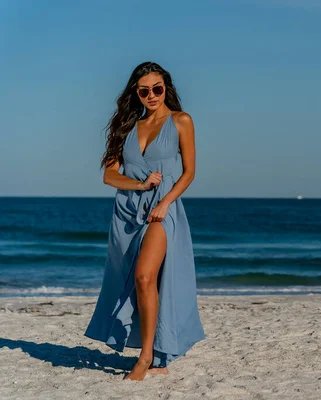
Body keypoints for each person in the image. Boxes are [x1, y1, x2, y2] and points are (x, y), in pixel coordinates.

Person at [84, 61, 206, 381]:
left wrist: (165, 201)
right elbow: (110, 176)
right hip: (127, 213)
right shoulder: (125, 127)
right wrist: (140, 185)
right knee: (135, 282)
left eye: (157, 88)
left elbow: (190, 172)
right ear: (135, 93)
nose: (151, 95)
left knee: (144, 277)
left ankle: (146, 355)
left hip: (162, 211)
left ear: (166, 87)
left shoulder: (180, 121)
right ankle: (155, 352)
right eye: (144, 90)